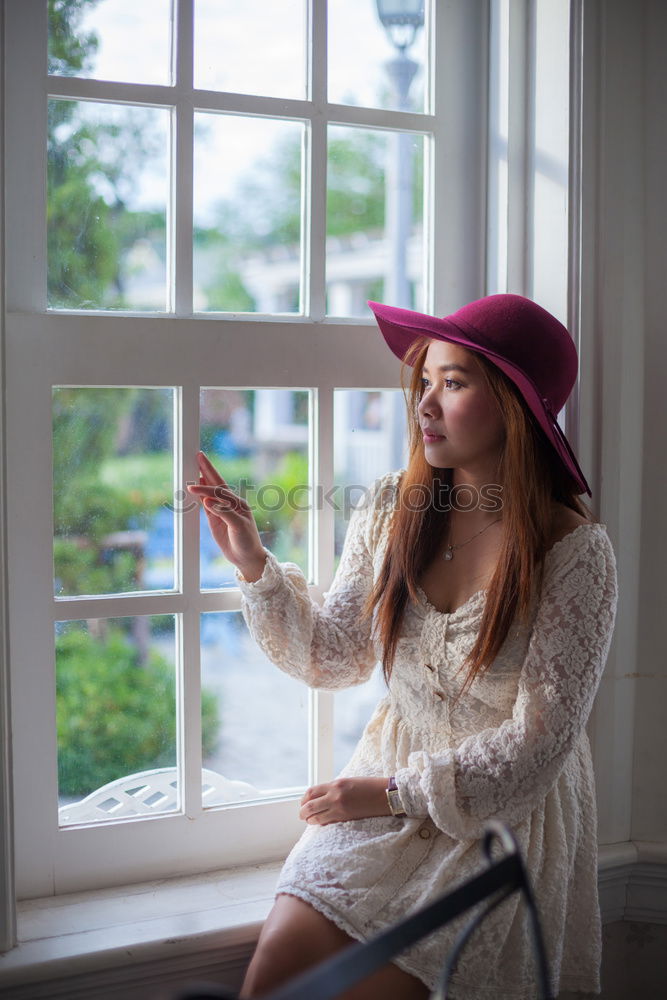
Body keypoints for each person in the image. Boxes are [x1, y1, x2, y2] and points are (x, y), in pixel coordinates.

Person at [188, 294, 618, 1000]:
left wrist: (388, 793)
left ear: (516, 405)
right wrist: (253, 565)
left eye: (453, 383)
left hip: (499, 824)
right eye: (424, 380)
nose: (425, 404)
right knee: (270, 982)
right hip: (382, 798)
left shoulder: (574, 552)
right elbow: (334, 655)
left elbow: (537, 747)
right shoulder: (394, 506)